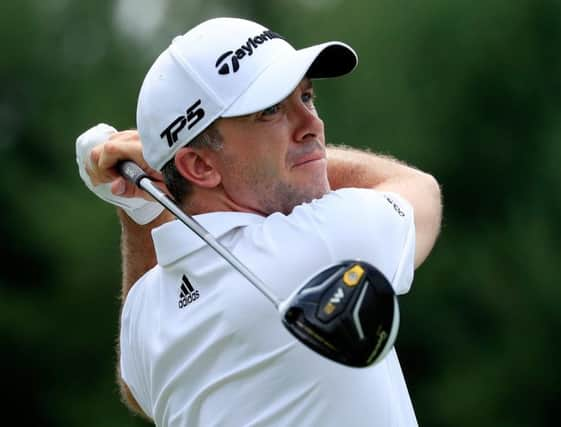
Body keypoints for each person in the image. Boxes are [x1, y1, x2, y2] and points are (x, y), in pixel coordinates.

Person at [76, 17, 442, 427]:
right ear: (198, 164)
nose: (312, 126)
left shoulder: (148, 312)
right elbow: (418, 188)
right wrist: (152, 165)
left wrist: (139, 208)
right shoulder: (321, 241)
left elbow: (139, 390)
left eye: (306, 97)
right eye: (270, 111)